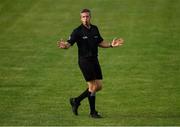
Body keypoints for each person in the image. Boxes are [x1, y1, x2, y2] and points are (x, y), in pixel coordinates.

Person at [57, 9, 124, 118]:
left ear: (90, 17)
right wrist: (64, 46)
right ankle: (93, 112)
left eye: (87, 16)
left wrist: (111, 45)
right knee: (93, 86)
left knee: (99, 86)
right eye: (83, 17)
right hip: (84, 61)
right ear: (80, 18)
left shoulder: (95, 29)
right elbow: (69, 44)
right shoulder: (77, 31)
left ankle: (76, 100)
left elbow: (100, 42)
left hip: (94, 60)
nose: (85, 18)